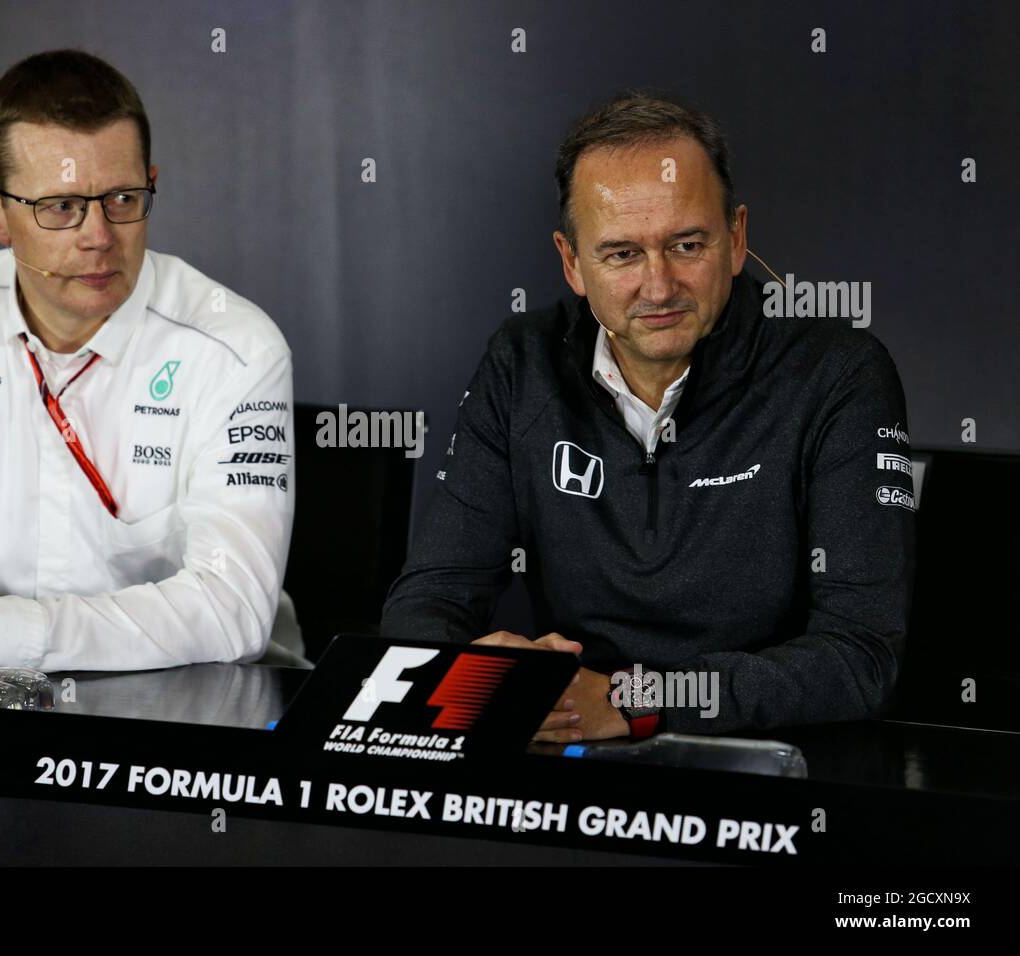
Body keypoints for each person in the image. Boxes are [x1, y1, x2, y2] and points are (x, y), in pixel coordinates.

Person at [380, 91, 916, 740]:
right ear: (572, 263)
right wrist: (481, 672)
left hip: (774, 775)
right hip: (575, 760)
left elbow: (859, 660)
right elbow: (424, 605)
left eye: (687, 245)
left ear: (737, 238)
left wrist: (634, 702)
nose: (659, 287)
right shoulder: (523, 365)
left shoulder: (838, 374)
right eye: (622, 254)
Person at [0, 50, 299, 674]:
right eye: (61, 207)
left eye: (122, 197)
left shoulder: (238, 347)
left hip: (193, 714)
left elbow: (232, 607)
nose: (98, 235)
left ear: (151, 182)